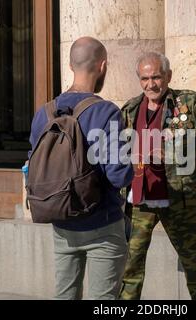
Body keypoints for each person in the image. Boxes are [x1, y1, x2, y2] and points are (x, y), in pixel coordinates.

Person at [119, 47, 196, 300]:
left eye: (157, 77)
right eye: (145, 79)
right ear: (139, 80)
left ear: (168, 75)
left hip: (180, 200)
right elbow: (118, 151)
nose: (151, 84)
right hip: (139, 199)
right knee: (130, 266)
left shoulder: (188, 102)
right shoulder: (129, 109)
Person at [29, 37, 134, 300]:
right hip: (103, 225)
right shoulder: (106, 111)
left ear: (70, 64)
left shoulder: (44, 113)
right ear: (103, 66)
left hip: (61, 222)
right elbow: (118, 175)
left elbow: (32, 167)